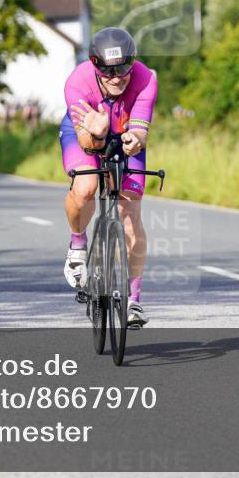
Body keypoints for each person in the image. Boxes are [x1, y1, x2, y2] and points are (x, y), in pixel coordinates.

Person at [60, 27, 157, 327]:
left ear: (133, 62)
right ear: (95, 66)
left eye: (123, 69)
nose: (117, 77)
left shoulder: (146, 78)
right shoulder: (77, 82)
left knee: (130, 214)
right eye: (108, 71)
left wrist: (135, 141)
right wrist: (97, 135)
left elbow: (140, 131)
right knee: (87, 185)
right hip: (86, 135)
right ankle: (78, 243)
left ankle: (134, 300)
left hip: (124, 134)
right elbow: (87, 142)